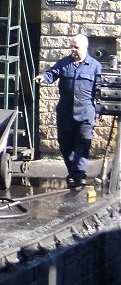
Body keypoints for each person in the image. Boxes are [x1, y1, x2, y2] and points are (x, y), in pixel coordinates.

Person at [35, 33, 102, 187]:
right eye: (71, 46)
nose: (73, 50)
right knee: (65, 144)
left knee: (83, 143)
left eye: (76, 47)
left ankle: (78, 174)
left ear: (85, 48)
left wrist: (99, 110)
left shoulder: (95, 66)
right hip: (65, 112)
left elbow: (99, 90)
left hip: (86, 112)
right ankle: (73, 172)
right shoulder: (64, 63)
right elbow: (52, 73)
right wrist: (44, 77)